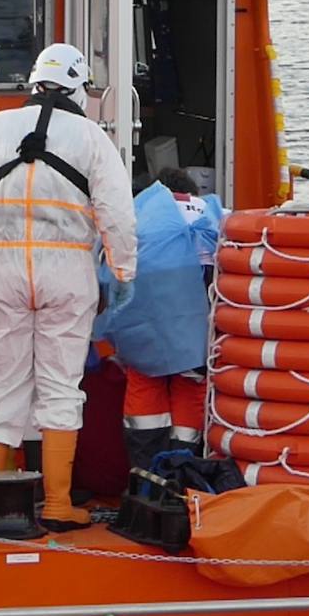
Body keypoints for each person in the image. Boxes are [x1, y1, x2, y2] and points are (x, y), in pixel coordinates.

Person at [0, 42, 137, 532]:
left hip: (0, 271)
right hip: (67, 273)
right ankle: (56, 503)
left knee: (1, 385)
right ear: (79, 87)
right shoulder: (92, 138)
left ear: (33, 82)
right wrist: (121, 272)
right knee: (59, 386)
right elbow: (117, 213)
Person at [99, 168, 221, 470]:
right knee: (191, 385)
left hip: (144, 320)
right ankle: (184, 473)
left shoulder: (141, 212)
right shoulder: (212, 212)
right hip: (198, 320)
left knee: (144, 380)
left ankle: (145, 479)